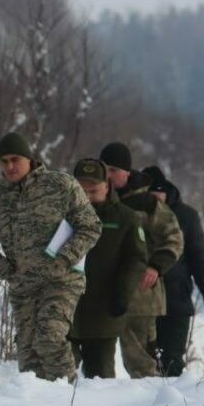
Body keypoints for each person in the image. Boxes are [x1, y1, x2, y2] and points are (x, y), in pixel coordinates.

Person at [0, 132, 101, 382]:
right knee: (29, 357)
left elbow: (90, 226)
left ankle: (68, 397)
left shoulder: (61, 185)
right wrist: (5, 269)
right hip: (23, 287)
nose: (10, 166)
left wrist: (64, 258)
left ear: (29, 159)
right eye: (4, 161)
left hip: (61, 280)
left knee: (49, 337)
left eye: (15, 159)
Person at [99, 142, 184, 379]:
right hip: (101, 291)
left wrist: (156, 266)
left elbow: (174, 237)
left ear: (127, 172)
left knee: (141, 366)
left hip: (140, 294)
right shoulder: (94, 199)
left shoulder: (146, 203)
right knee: (97, 366)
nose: (108, 175)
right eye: (104, 168)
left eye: (114, 170)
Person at [66, 158, 148, 379]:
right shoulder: (61, 215)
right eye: (82, 191)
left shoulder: (125, 217)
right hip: (64, 310)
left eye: (93, 191)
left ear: (107, 186)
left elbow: (136, 259)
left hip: (103, 313)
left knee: (100, 381)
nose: (88, 198)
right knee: (59, 379)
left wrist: (123, 293)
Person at [143, 165, 204, 376]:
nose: (154, 198)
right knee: (146, 366)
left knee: (171, 364)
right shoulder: (137, 214)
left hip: (176, 301)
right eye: (148, 194)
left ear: (165, 191)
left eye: (157, 193)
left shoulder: (185, 216)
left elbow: (200, 261)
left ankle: (173, 405)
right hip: (143, 302)